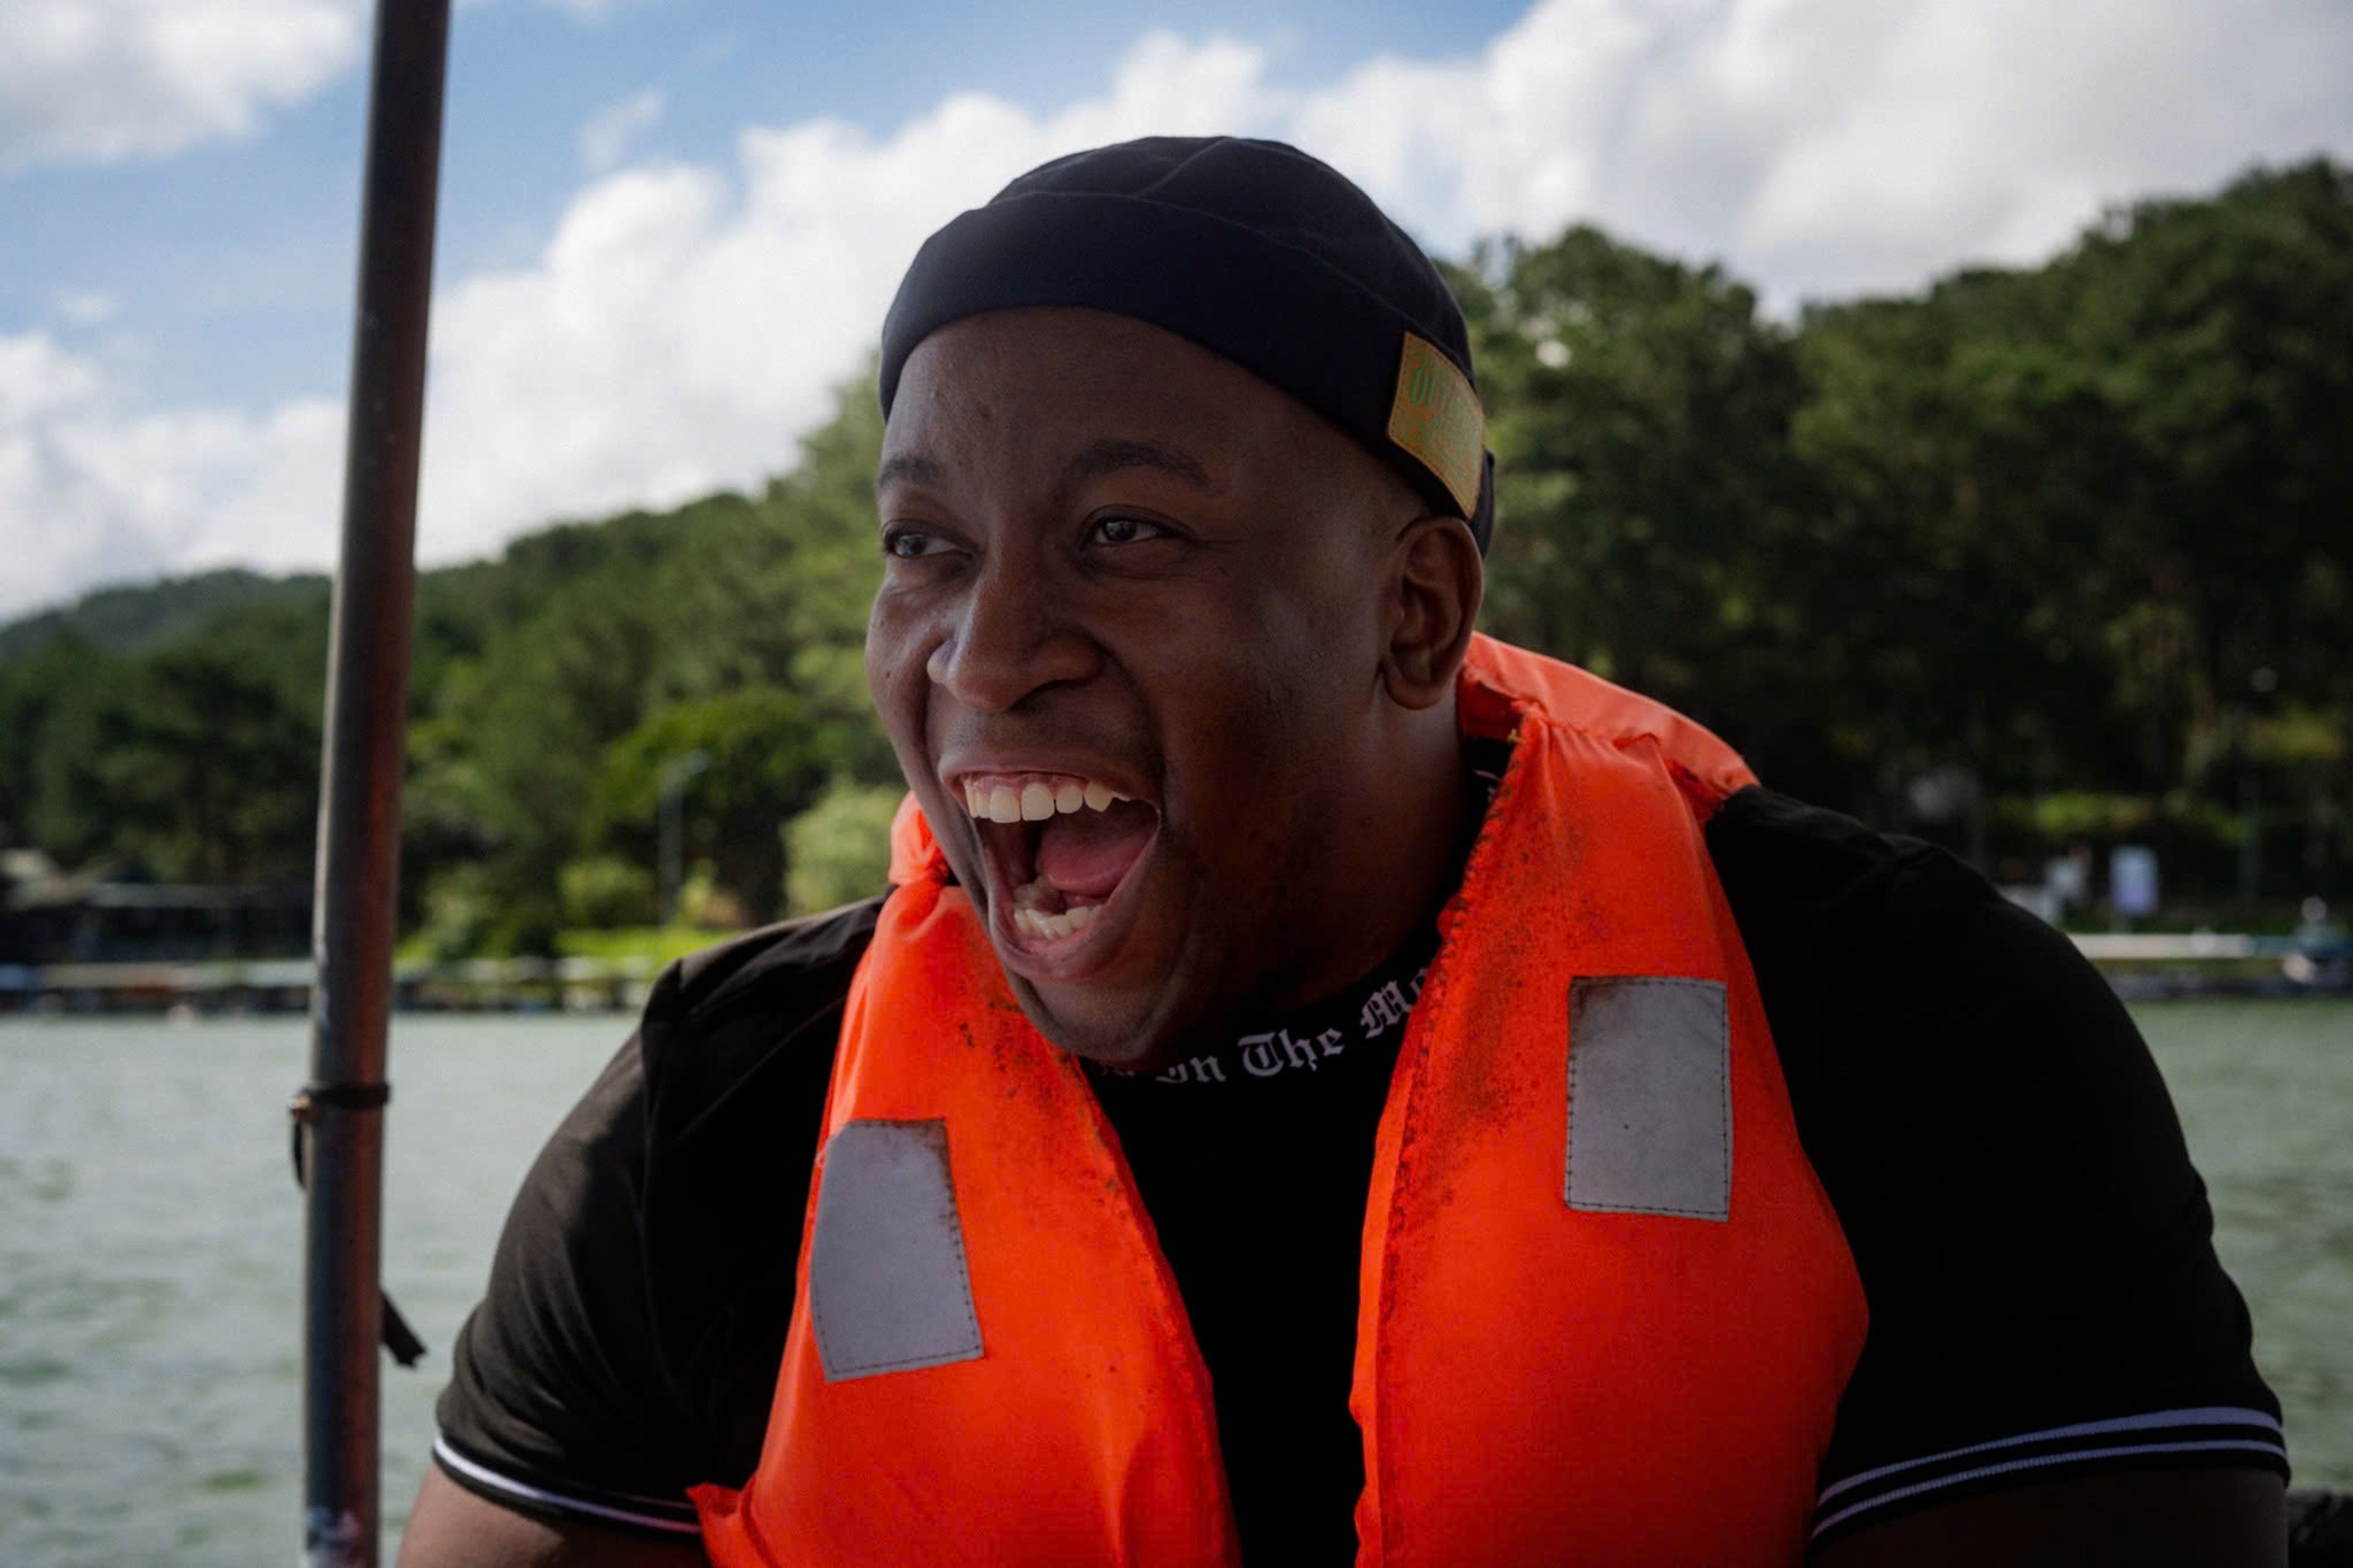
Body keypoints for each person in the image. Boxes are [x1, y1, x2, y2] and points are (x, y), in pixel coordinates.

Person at [395, 137, 2288, 1567]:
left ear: (1415, 612)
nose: (983, 651)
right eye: (924, 546)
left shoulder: (1900, 1031)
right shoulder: (726, 1119)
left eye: (1126, 533)